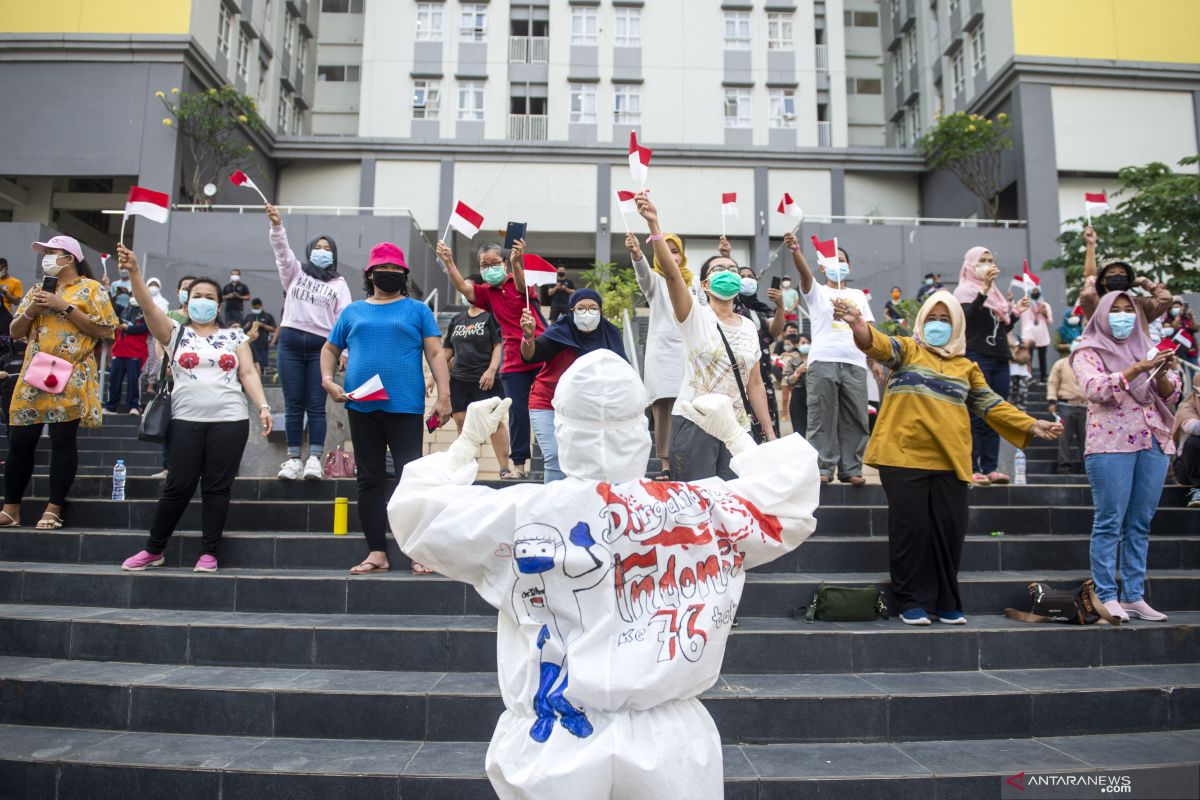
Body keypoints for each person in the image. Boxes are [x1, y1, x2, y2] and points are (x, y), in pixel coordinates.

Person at [387, 349, 820, 800]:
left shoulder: (518, 514)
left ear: (561, 429)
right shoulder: (699, 509)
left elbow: (417, 516)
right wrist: (736, 436)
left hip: (552, 743)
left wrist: (465, 444)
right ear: (643, 431)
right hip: (668, 746)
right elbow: (787, 502)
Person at [836, 290, 1061, 625]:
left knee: (949, 532)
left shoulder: (967, 367)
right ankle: (911, 601)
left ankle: (946, 601)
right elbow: (878, 344)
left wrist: (1031, 423)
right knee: (910, 531)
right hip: (903, 457)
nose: (937, 325)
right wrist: (857, 323)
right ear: (921, 321)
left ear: (957, 325)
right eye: (932, 319)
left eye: (945, 320)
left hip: (951, 461)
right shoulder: (908, 350)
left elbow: (991, 404)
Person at [117, 247, 273, 573]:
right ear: (186, 302)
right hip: (186, 420)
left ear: (218, 303)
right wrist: (134, 272)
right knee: (178, 485)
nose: (203, 299)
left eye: (209, 295)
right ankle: (154, 549)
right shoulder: (175, 333)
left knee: (217, 488)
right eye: (196, 295)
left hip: (230, 420)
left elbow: (247, 374)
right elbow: (147, 306)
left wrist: (263, 406)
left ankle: (209, 553)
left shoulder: (234, 335)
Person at [321, 242, 451, 575]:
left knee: (412, 480)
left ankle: (418, 551)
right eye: (384, 270)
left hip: (405, 406)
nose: (390, 275)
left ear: (405, 276)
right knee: (369, 479)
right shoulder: (352, 312)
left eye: (397, 271)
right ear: (370, 274)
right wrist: (327, 380)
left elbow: (436, 354)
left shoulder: (418, 310)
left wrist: (444, 395)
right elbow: (330, 349)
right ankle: (377, 551)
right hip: (361, 406)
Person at [634, 193, 777, 482]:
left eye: (733, 269)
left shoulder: (749, 326)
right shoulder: (694, 316)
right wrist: (654, 226)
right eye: (719, 270)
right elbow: (673, 276)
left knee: (735, 505)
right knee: (696, 507)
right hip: (695, 423)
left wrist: (770, 432)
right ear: (704, 284)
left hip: (738, 430)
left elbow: (755, 383)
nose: (729, 273)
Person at [1071, 290, 1181, 622]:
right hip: (1110, 443)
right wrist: (1136, 368)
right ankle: (1106, 594)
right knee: (1109, 522)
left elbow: (1173, 392)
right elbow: (1095, 389)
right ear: (1101, 315)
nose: (1123, 316)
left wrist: (1159, 369)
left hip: (1154, 440)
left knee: (1140, 523)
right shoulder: (1087, 350)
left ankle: (1134, 595)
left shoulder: (1147, 346)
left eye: (1128, 310)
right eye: (1115, 310)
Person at [0, 235, 118, 530]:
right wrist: (33, 310)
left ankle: (54, 508)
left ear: (69, 258)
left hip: (71, 374)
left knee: (63, 442)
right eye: (45, 253)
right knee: (20, 442)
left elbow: (103, 331)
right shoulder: (38, 289)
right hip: (33, 375)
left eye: (52, 252)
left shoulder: (92, 289)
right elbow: (15, 331)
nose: (46, 258)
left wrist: (63, 306)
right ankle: (11, 507)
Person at [439, 238, 544, 480]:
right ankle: (518, 465)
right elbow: (465, 289)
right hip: (513, 360)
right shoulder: (487, 293)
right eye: (483, 265)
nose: (489, 269)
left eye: (494, 263)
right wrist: (449, 262)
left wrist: (518, 264)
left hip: (540, 353)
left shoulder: (518, 280)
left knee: (546, 408)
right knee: (516, 410)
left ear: (504, 264)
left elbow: (521, 287)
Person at [265, 204, 354, 481]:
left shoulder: (339, 283)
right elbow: (282, 253)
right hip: (290, 344)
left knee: (316, 405)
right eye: (318, 246)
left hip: (322, 348)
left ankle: (314, 458)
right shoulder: (295, 274)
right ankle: (293, 460)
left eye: (328, 248)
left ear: (334, 254)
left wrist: (346, 351)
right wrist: (277, 226)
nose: (323, 251)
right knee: (293, 405)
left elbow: (345, 318)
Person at [782, 230, 877, 485]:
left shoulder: (858, 295)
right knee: (821, 415)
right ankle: (823, 468)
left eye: (843, 260)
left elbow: (868, 331)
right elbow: (804, 274)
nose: (839, 264)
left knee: (856, 416)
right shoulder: (817, 292)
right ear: (824, 267)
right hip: (823, 359)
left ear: (850, 266)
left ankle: (852, 468)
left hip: (855, 362)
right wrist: (796, 251)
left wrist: (874, 359)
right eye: (833, 261)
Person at [520, 288, 626, 482]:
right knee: (554, 456)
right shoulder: (560, 333)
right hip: (547, 402)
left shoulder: (610, 334)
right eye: (581, 308)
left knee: (588, 461)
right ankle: (554, 505)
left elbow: (622, 372)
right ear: (571, 311)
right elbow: (530, 356)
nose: (587, 313)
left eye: (593, 308)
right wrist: (528, 337)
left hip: (586, 407)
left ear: (601, 311)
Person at [954, 246, 1030, 486]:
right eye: (982, 260)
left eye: (990, 260)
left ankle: (991, 467)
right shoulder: (964, 291)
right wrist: (984, 290)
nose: (987, 264)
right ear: (970, 264)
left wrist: (1016, 313)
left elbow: (1000, 329)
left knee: (995, 412)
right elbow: (968, 319)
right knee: (977, 412)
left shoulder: (996, 294)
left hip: (999, 358)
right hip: (977, 356)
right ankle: (973, 466)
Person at [627, 231, 690, 481]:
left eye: (675, 251)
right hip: (662, 355)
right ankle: (665, 465)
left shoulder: (694, 283)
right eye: (666, 250)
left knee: (687, 408)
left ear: (682, 256)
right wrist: (637, 254)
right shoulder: (655, 281)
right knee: (663, 409)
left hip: (689, 354)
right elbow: (642, 273)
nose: (671, 256)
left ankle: (686, 461)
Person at [442, 283, 512, 477]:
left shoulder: (491, 316)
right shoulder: (457, 320)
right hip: (459, 379)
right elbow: (447, 350)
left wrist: (491, 370)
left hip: (485, 378)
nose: (464, 293)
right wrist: (433, 375)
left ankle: (504, 468)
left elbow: (498, 345)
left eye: (467, 289)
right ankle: (464, 468)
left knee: (494, 423)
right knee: (461, 422)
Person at [730, 240, 786, 438]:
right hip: (736, 376)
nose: (746, 280)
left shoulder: (761, 310)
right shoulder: (730, 306)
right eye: (742, 277)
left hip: (762, 376)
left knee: (766, 431)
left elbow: (776, 330)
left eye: (750, 277)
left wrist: (780, 305)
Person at [1078, 225, 1172, 326]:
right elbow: (1090, 281)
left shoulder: (1139, 304)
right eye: (1112, 273)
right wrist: (1091, 244)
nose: (1117, 276)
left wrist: (1144, 281)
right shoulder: (1097, 304)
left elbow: (1166, 298)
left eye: (1122, 273)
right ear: (1102, 280)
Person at [105, 295, 149, 415]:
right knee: (114, 379)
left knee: (133, 380)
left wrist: (128, 328)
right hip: (119, 351)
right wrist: (108, 289)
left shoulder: (147, 314)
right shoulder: (123, 311)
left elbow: (145, 328)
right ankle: (111, 406)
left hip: (135, 352)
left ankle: (135, 406)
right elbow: (111, 305)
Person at [1172, 390, 1200, 508]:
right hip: (1188, 468)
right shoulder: (1188, 405)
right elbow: (1192, 427)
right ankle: (1198, 491)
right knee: (1195, 441)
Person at [1021, 286, 1052, 381]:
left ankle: (1043, 377)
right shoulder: (1026, 305)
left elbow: (1050, 321)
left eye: (1036, 291)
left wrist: (1045, 313)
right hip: (1029, 335)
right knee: (1028, 357)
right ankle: (1028, 376)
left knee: (1042, 357)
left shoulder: (1045, 305)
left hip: (1041, 335)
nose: (1034, 293)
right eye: (1033, 291)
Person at [782, 334, 811, 437]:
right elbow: (788, 380)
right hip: (798, 396)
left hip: (813, 396)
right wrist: (798, 372)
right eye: (803, 343)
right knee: (799, 430)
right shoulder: (792, 361)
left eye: (808, 343)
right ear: (797, 345)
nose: (806, 345)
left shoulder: (816, 361)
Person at [243, 298, 277, 378]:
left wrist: (263, 325)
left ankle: (261, 377)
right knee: (250, 362)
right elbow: (243, 328)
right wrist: (247, 325)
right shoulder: (249, 316)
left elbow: (274, 329)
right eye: (254, 308)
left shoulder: (267, 316)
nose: (256, 309)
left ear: (261, 306)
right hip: (250, 344)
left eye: (257, 308)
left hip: (263, 343)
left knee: (262, 363)